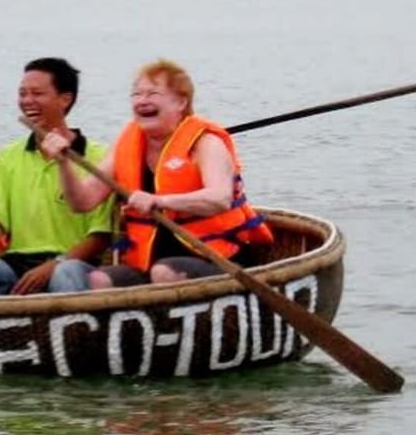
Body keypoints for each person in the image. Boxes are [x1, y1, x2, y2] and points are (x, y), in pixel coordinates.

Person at [40, 59, 273, 288]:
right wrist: (63, 163)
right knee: (98, 280)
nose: (142, 101)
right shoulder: (127, 145)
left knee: (163, 272)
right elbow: (82, 202)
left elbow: (220, 199)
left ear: (181, 102)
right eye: (136, 94)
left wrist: (159, 201)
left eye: (152, 94)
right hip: (148, 264)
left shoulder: (206, 143)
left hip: (215, 258)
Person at [0, 57, 115, 296]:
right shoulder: (9, 157)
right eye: (23, 94)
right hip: (16, 265)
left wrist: (55, 264)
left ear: (65, 99)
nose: (27, 101)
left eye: (37, 94)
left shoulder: (99, 157)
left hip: (72, 264)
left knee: (66, 273)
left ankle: (74, 331)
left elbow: (100, 235)